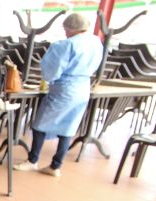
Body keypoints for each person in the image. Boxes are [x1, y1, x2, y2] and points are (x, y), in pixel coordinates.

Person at [13, 13, 103, 177]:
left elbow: (51, 71)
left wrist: (48, 79)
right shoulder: (95, 42)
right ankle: (56, 166)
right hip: (83, 88)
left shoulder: (66, 45)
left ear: (69, 28)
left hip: (65, 88)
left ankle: (32, 161)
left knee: (40, 124)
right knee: (68, 127)